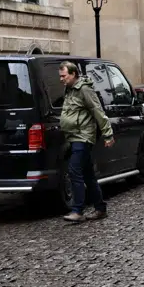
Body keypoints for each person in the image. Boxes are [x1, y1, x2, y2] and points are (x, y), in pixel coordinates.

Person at [58, 61, 113, 223]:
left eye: (64, 76)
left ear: (73, 74)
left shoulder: (84, 89)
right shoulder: (69, 89)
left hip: (83, 136)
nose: (61, 79)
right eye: (60, 76)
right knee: (88, 175)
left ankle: (78, 210)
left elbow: (97, 111)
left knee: (74, 171)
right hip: (74, 136)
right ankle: (100, 208)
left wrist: (108, 134)